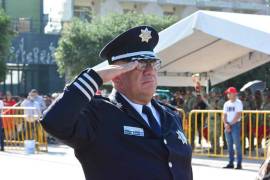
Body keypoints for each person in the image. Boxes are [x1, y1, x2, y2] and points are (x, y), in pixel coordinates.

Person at [41, 26, 193, 180]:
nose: (149, 71)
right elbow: (53, 121)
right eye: (140, 64)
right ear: (117, 76)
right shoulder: (98, 115)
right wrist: (94, 77)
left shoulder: (171, 115)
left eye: (153, 63)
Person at [223, 87, 243, 169]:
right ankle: (230, 163)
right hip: (228, 125)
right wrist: (225, 124)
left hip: (235, 125)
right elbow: (224, 115)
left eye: (229, 93)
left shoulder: (238, 103)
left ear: (233, 94)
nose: (227, 95)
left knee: (237, 145)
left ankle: (239, 163)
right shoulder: (226, 103)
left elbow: (238, 115)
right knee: (229, 145)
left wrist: (229, 124)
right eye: (228, 93)